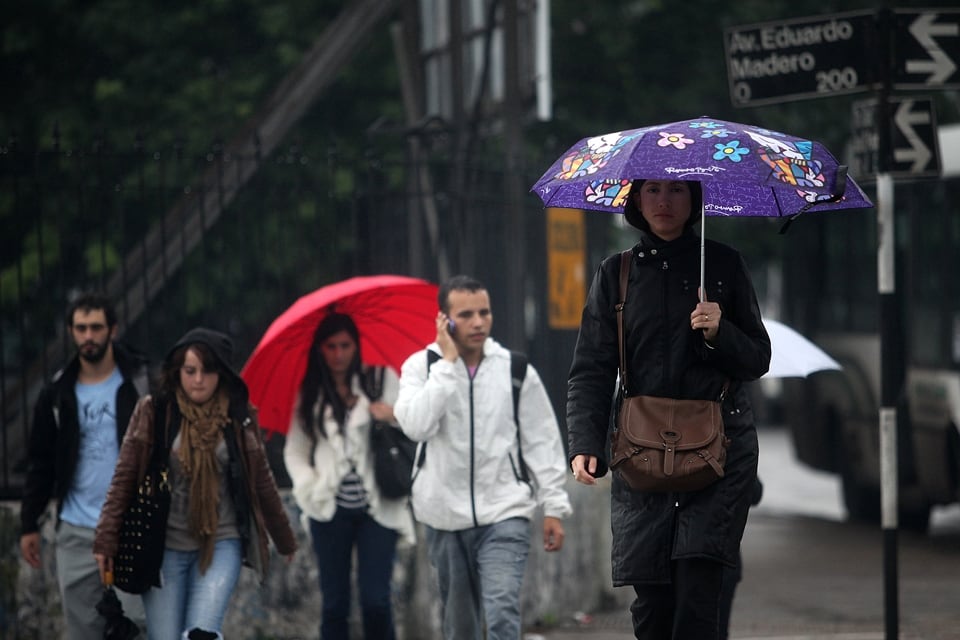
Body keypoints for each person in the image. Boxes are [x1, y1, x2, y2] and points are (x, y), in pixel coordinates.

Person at [567, 179, 771, 640]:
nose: (664, 201)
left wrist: (720, 331)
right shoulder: (615, 273)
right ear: (636, 199)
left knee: (698, 598)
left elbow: (758, 358)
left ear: (694, 199)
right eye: (653, 190)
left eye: (677, 191)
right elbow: (591, 369)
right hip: (640, 456)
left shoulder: (723, 266)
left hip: (718, 455)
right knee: (653, 607)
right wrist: (585, 443)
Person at [394, 274, 573, 640]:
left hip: (504, 510)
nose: (478, 322)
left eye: (484, 312)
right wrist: (446, 366)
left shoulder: (515, 368)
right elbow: (415, 426)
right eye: (467, 314)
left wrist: (553, 505)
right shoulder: (421, 367)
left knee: (503, 610)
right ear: (445, 319)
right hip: (444, 516)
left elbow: (542, 440)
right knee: (461, 627)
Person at [93, 327, 297, 640]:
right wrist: (106, 538)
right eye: (190, 371)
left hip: (221, 541)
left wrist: (283, 538)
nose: (198, 380)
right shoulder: (154, 411)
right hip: (164, 547)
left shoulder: (239, 417)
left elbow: (262, 481)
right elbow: (124, 477)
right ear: (178, 371)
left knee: (201, 634)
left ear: (222, 375)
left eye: (207, 371)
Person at [20, 292, 149, 640]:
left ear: (113, 329)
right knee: (84, 630)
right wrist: (29, 522)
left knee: (139, 624)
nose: (88, 336)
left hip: (131, 525)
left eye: (96, 327)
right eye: (80, 328)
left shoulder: (139, 385)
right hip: (76, 529)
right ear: (71, 332)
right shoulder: (58, 393)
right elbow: (41, 461)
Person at [283, 312, 414, 640]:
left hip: (378, 506)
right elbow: (295, 451)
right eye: (331, 346)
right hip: (328, 509)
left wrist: (393, 414)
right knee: (334, 604)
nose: (339, 353)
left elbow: (416, 425)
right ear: (320, 349)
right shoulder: (310, 393)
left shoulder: (380, 380)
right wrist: (308, 485)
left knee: (376, 601)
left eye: (345, 345)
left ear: (356, 346)